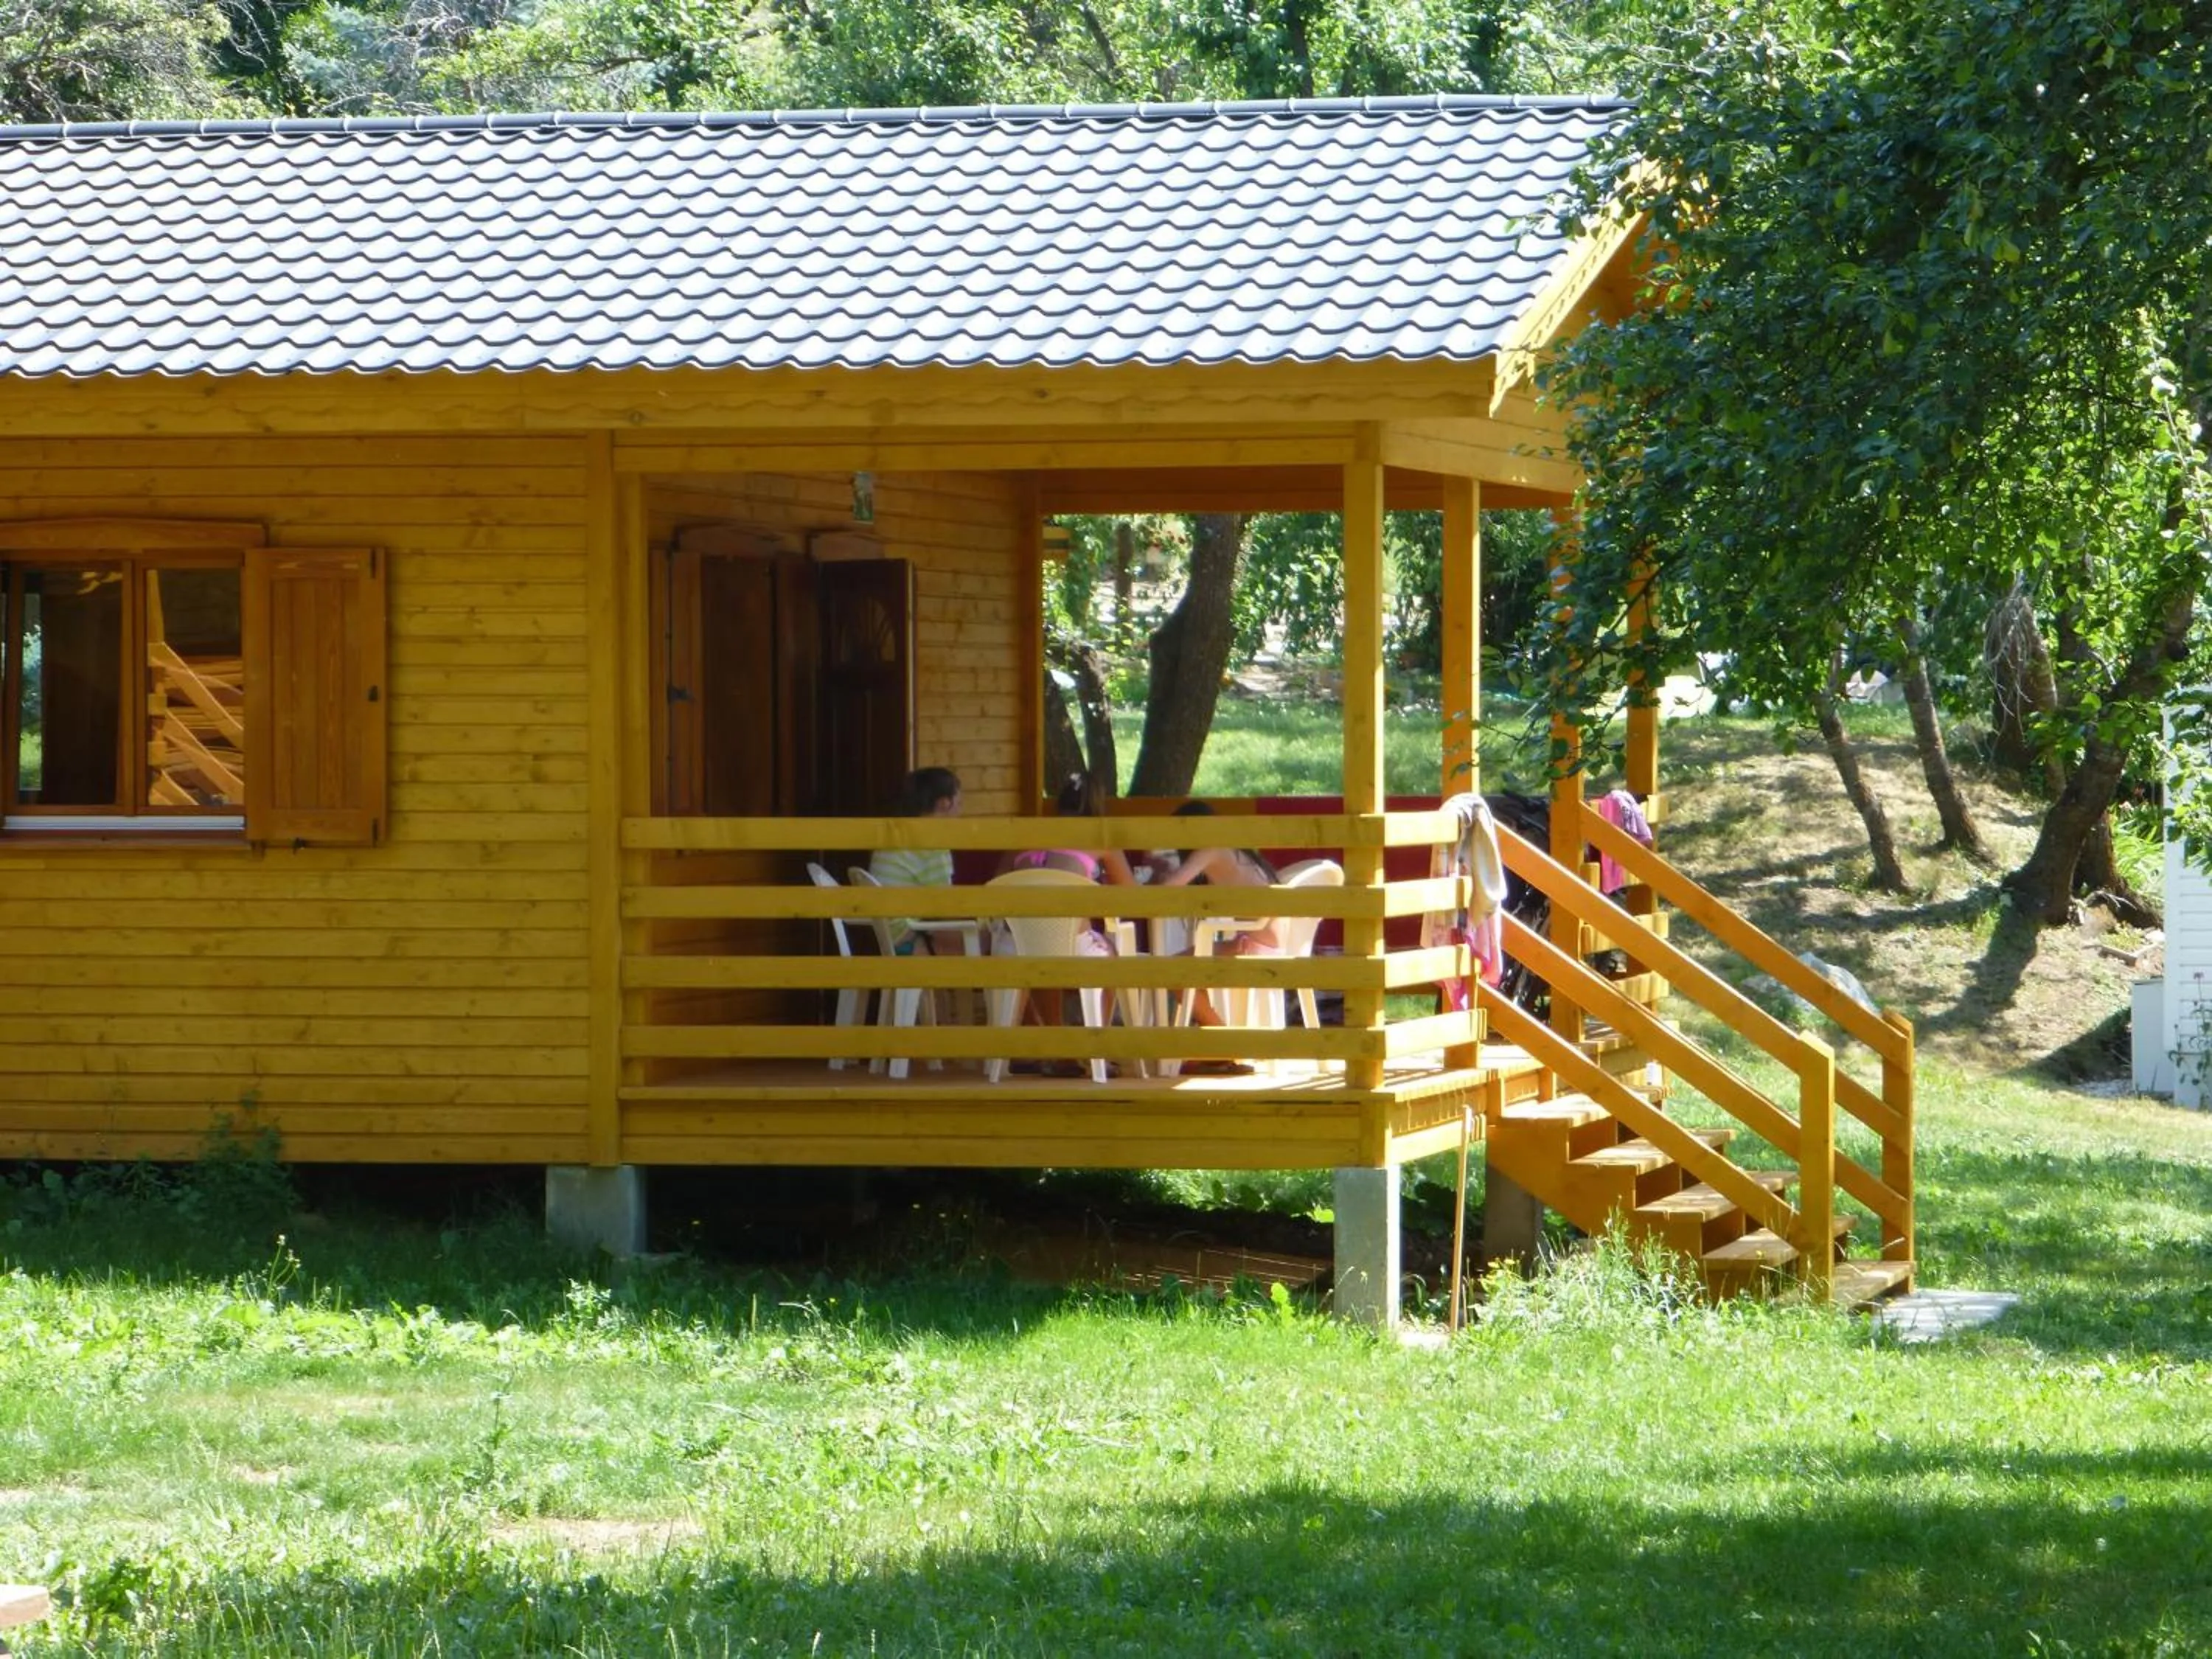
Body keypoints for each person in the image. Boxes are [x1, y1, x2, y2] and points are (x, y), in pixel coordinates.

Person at [869, 766, 961, 955]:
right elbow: (944, 908)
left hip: (887, 940)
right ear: (945, 804)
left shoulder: (895, 835)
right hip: (911, 942)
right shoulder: (933, 844)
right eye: (959, 803)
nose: (960, 813)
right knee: (984, 939)